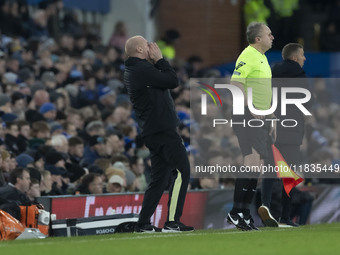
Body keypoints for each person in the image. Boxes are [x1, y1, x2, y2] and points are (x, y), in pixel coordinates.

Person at [124, 35, 193, 233]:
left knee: (159, 180)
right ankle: (172, 221)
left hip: (153, 130)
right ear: (138, 50)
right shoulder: (141, 68)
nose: (151, 48)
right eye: (147, 45)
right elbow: (172, 81)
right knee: (182, 170)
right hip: (162, 129)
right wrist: (161, 60)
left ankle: (143, 223)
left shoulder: (135, 69)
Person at [226, 22, 275, 231]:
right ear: (258, 39)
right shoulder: (248, 55)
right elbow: (235, 83)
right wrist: (250, 106)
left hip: (261, 117)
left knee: (257, 167)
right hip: (246, 114)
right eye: (269, 34)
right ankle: (236, 211)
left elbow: (263, 91)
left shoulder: (262, 58)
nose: (272, 37)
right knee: (251, 162)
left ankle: (244, 213)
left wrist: (271, 115)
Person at [258, 43, 307, 227]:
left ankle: (265, 204)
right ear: (294, 58)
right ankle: (285, 217)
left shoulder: (270, 73)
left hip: (270, 128)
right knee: (289, 175)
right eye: (302, 55)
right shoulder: (300, 76)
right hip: (291, 131)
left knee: (270, 171)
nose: (304, 59)